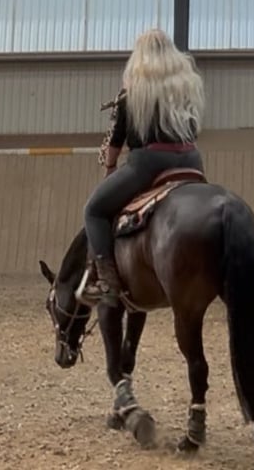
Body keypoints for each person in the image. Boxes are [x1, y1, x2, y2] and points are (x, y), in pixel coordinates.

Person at [76, 28, 206, 308]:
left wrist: (110, 166)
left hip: (149, 162)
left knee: (94, 210)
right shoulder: (188, 86)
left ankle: (107, 282)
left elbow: (116, 139)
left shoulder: (133, 91)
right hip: (191, 160)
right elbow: (195, 129)